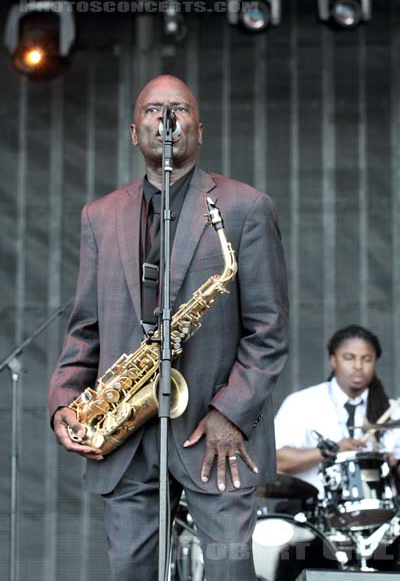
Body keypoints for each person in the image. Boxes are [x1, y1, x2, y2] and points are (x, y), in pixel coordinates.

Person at [48, 74, 289, 580]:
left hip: (216, 435)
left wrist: (231, 413)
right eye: (154, 110)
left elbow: (268, 331)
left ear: (198, 129)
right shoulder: (99, 216)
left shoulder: (246, 208)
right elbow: (84, 328)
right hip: (127, 440)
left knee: (228, 572)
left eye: (178, 110)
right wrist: (64, 402)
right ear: (133, 131)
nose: (166, 120)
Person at [275, 324, 400, 497]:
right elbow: (277, 460)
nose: (358, 366)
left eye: (366, 359)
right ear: (333, 360)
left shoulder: (393, 412)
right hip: (312, 514)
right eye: (349, 358)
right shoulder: (301, 403)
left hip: (380, 516)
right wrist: (329, 451)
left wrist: (392, 464)